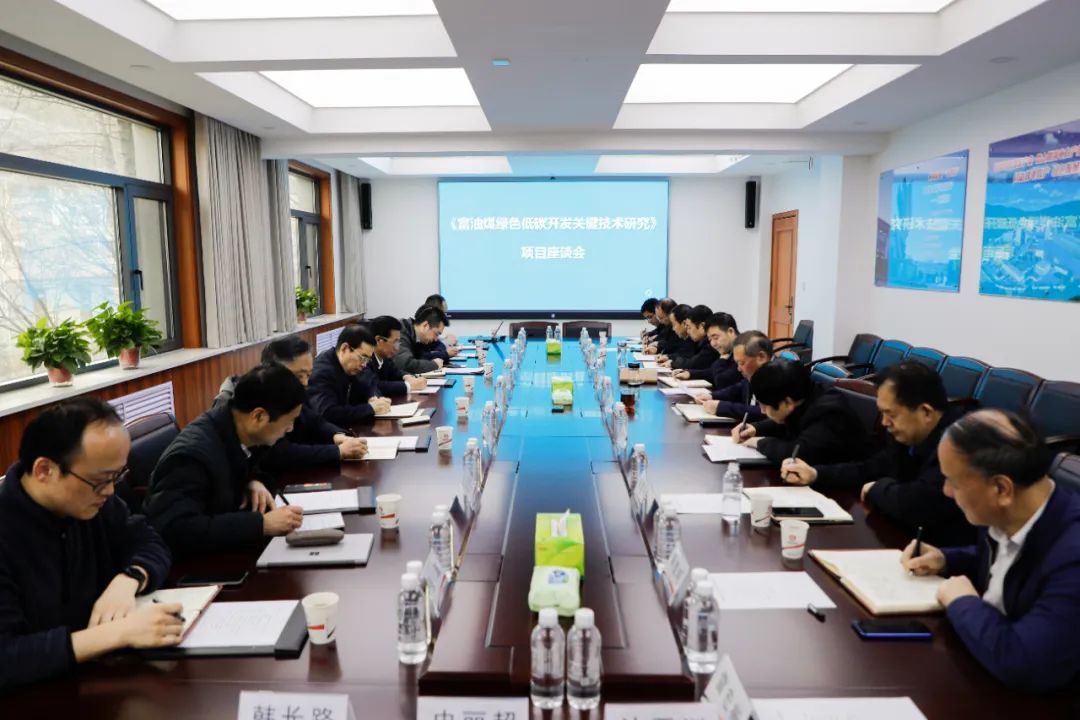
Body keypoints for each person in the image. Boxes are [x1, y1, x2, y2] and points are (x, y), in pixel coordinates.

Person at [0, 399, 181, 689]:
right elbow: (7, 658)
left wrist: (130, 579)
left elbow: (150, 541)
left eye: (116, 476)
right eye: (100, 480)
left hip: (102, 678)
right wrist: (118, 633)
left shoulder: (94, 501)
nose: (110, 491)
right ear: (44, 470)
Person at [902, 410, 1080, 693]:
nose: (946, 491)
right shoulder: (1007, 513)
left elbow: (1024, 662)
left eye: (953, 482)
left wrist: (962, 602)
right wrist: (946, 559)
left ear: (1001, 488)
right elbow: (1010, 564)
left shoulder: (1073, 556)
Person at [783, 362, 973, 546]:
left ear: (925, 412)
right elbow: (870, 468)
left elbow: (918, 504)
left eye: (891, 414)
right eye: (882, 413)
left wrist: (877, 488)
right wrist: (816, 474)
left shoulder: (959, 445)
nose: (884, 422)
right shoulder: (907, 435)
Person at [146, 364, 307, 556]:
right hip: (192, 564)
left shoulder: (236, 429)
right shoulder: (191, 457)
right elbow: (176, 529)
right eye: (289, 421)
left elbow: (258, 466)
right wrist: (262, 525)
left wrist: (253, 480)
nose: (290, 428)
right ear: (259, 416)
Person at [213, 336, 368, 468]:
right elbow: (275, 453)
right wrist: (337, 451)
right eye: (299, 375)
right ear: (273, 371)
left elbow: (313, 419)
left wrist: (336, 435)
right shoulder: (251, 399)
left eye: (308, 375)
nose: (305, 383)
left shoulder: (292, 390)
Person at [732, 358, 867, 466]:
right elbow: (787, 420)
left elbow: (798, 453)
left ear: (787, 402)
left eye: (764, 406)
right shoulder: (805, 394)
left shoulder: (829, 412)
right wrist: (756, 428)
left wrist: (759, 442)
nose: (762, 411)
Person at [308, 324, 392, 426]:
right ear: (345, 348)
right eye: (363, 358)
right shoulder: (322, 373)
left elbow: (370, 384)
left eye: (368, 360)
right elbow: (328, 413)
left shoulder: (352, 366)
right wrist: (370, 408)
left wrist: (374, 398)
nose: (364, 364)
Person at [698, 331, 771, 422]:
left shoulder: (778, 377)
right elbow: (739, 388)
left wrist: (722, 407)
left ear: (761, 357)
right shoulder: (755, 374)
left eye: (742, 363)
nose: (739, 369)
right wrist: (712, 396)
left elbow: (766, 412)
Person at [679, 312, 741, 392]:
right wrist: (690, 374)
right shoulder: (729, 349)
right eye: (710, 339)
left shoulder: (743, 352)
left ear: (730, 331)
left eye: (716, 338)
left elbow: (722, 382)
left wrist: (721, 360)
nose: (713, 344)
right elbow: (712, 371)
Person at [367, 316, 428, 397]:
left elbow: (396, 372)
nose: (397, 348)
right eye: (395, 342)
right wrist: (409, 385)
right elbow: (375, 385)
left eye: (398, 342)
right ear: (378, 340)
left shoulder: (385, 358)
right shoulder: (365, 359)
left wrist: (407, 377)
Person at [394, 304, 450, 375]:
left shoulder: (420, 337)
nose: (436, 339)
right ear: (425, 326)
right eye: (436, 334)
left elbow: (423, 358)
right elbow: (405, 364)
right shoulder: (400, 331)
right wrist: (434, 365)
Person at [668, 304, 718, 371]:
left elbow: (692, 364)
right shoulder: (700, 342)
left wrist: (672, 363)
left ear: (702, 326)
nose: (688, 332)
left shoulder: (710, 345)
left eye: (689, 327)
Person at [421, 294, 459, 359]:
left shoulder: (431, 328)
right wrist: (447, 343)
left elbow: (437, 345)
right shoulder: (423, 329)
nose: (445, 317)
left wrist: (445, 341)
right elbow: (425, 356)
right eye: (444, 313)